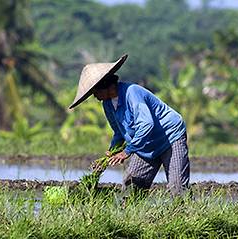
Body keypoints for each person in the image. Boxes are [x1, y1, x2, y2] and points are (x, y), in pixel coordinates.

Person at [69, 54, 190, 195]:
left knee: (177, 188)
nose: (94, 96)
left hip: (169, 137)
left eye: (95, 92)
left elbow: (147, 124)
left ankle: (183, 213)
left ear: (106, 86)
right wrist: (111, 154)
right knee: (131, 185)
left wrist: (127, 152)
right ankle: (131, 214)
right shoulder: (107, 104)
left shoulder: (132, 92)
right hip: (145, 143)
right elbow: (119, 132)